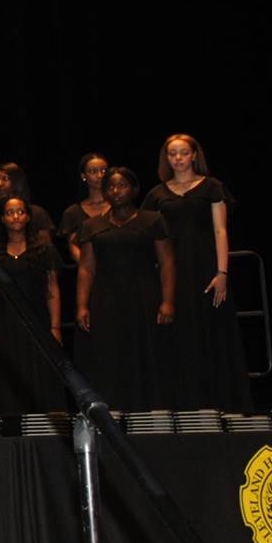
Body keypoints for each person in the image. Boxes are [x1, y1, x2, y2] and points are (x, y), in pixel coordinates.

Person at [142, 134, 248, 410]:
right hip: (172, 271)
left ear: (193, 155)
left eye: (183, 153)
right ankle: (181, 404)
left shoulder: (212, 187)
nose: (178, 158)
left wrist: (222, 272)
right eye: (172, 154)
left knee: (210, 331)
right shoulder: (157, 194)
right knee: (176, 336)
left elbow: (221, 230)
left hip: (205, 268)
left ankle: (219, 403)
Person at [74, 167, 176, 410]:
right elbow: (86, 268)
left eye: (122, 186)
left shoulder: (152, 220)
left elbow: (167, 262)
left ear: (134, 189)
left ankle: (149, 409)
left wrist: (168, 300)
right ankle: (111, 411)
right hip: (106, 298)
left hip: (143, 295)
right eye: (110, 186)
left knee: (145, 352)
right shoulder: (92, 226)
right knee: (108, 354)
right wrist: (81, 305)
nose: (116, 191)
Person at [0, 197, 65, 415]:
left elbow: (52, 290)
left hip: (37, 321)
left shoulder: (44, 250)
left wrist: (55, 327)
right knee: (9, 373)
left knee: (41, 373)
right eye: (9, 213)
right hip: (5, 323)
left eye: (20, 212)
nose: (15, 217)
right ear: (2, 218)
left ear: (27, 217)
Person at [0, 162, 54, 271]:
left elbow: (48, 252)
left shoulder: (37, 213)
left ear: (17, 182)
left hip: (31, 276)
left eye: (5, 179)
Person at [58, 153, 111, 265]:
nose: (100, 175)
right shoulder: (73, 212)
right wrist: (89, 268)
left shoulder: (119, 207)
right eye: (93, 171)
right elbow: (73, 247)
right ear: (84, 176)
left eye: (103, 170)